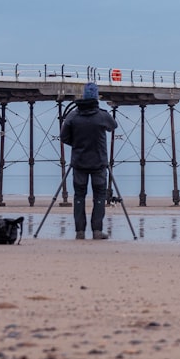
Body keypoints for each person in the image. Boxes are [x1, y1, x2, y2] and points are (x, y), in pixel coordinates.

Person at [60, 82, 117, 240]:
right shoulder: (102, 115)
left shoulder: (73, 116)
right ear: (96, 97)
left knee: (79, 196)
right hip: (99, 162)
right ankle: (97, 230)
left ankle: (80, 231)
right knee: (99, 195)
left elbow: (64, 137)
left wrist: (77, 144)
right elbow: (113, 126)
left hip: (79, 162)